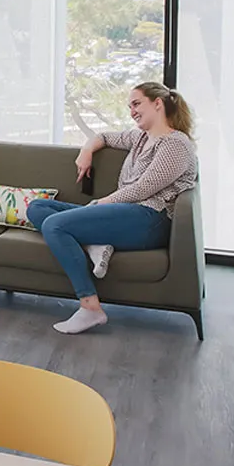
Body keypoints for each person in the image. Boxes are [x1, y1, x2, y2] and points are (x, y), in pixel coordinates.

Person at [27, 82, 199, 335]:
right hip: (125, 214)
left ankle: (90, 307)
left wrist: (99, 203)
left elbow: (143, 188)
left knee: (55, 224)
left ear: (158, 103)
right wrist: (86, 151)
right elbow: (104, 137)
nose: (132, 111)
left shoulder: (176, 144)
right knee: (37, 207)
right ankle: (93, 244)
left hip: (149, 218)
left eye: (137, 103)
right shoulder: (140, 138)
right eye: (130, 106)